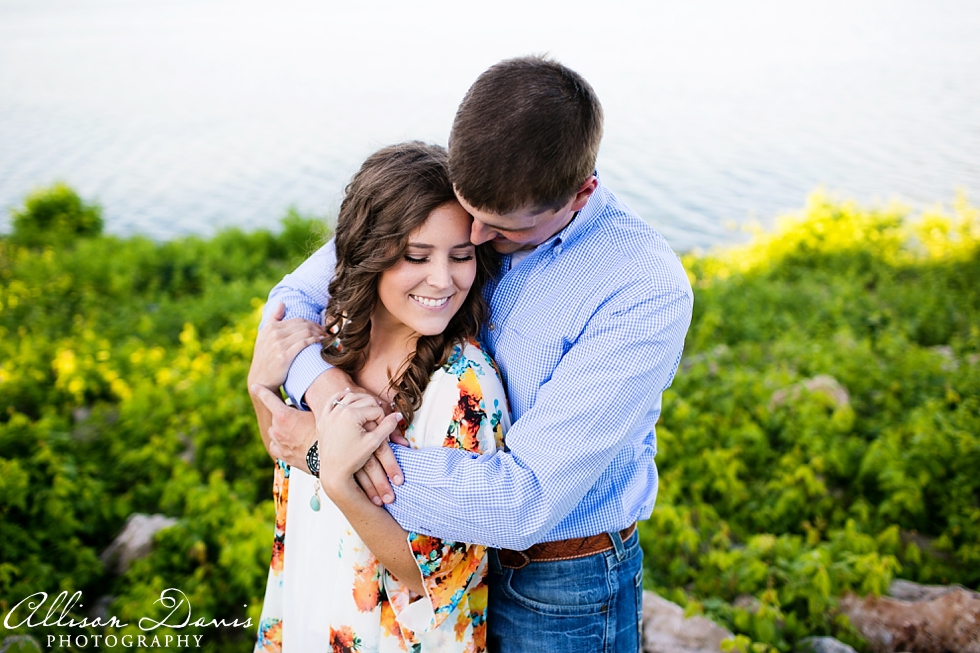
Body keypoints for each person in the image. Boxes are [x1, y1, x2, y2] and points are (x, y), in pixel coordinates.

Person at [260, 56, 694, 653]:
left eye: (499, 230)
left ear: (582, 192)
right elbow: (294, 298)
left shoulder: (642, 290)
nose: (477, 243)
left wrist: (325, 451)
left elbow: (524, 501)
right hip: (435, 547)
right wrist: (328, 393)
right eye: (470, 215)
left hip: (560, 580)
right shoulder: (477, 195)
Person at [247, 141, 511, 652]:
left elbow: (435, 575)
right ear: (371, 253)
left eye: (461, 256)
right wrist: (259, 388)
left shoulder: (463, 387)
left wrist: (342, 483)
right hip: (308, 614)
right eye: (417, 256)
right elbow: (282, 451)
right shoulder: (330, 341)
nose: (443, 279)